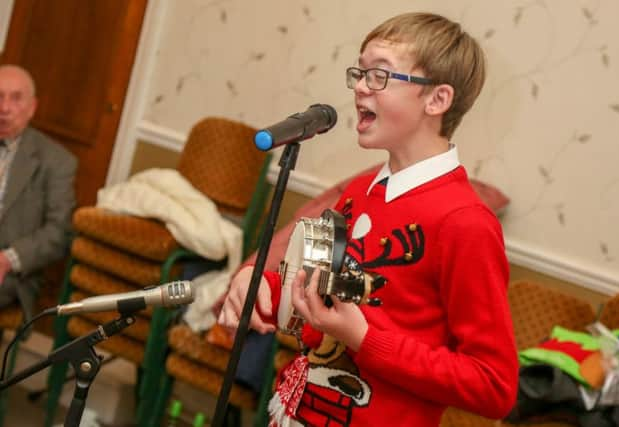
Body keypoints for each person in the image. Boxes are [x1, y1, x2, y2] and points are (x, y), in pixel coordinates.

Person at [218, 12, 518, 426]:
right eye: (360, 71)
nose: (360, 85)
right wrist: (258, 287)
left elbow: (493, 386)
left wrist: (364, 339)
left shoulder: (465, 222)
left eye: (379, 74)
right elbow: (319, 297)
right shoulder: (361, 191)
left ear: (437, 100)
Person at [0, 64, 77, 322]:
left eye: (16, 98)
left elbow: (59, 232)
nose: (5, 108)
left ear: (32, 107)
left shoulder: (57, 162)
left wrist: (7, 260)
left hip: (9, 272)